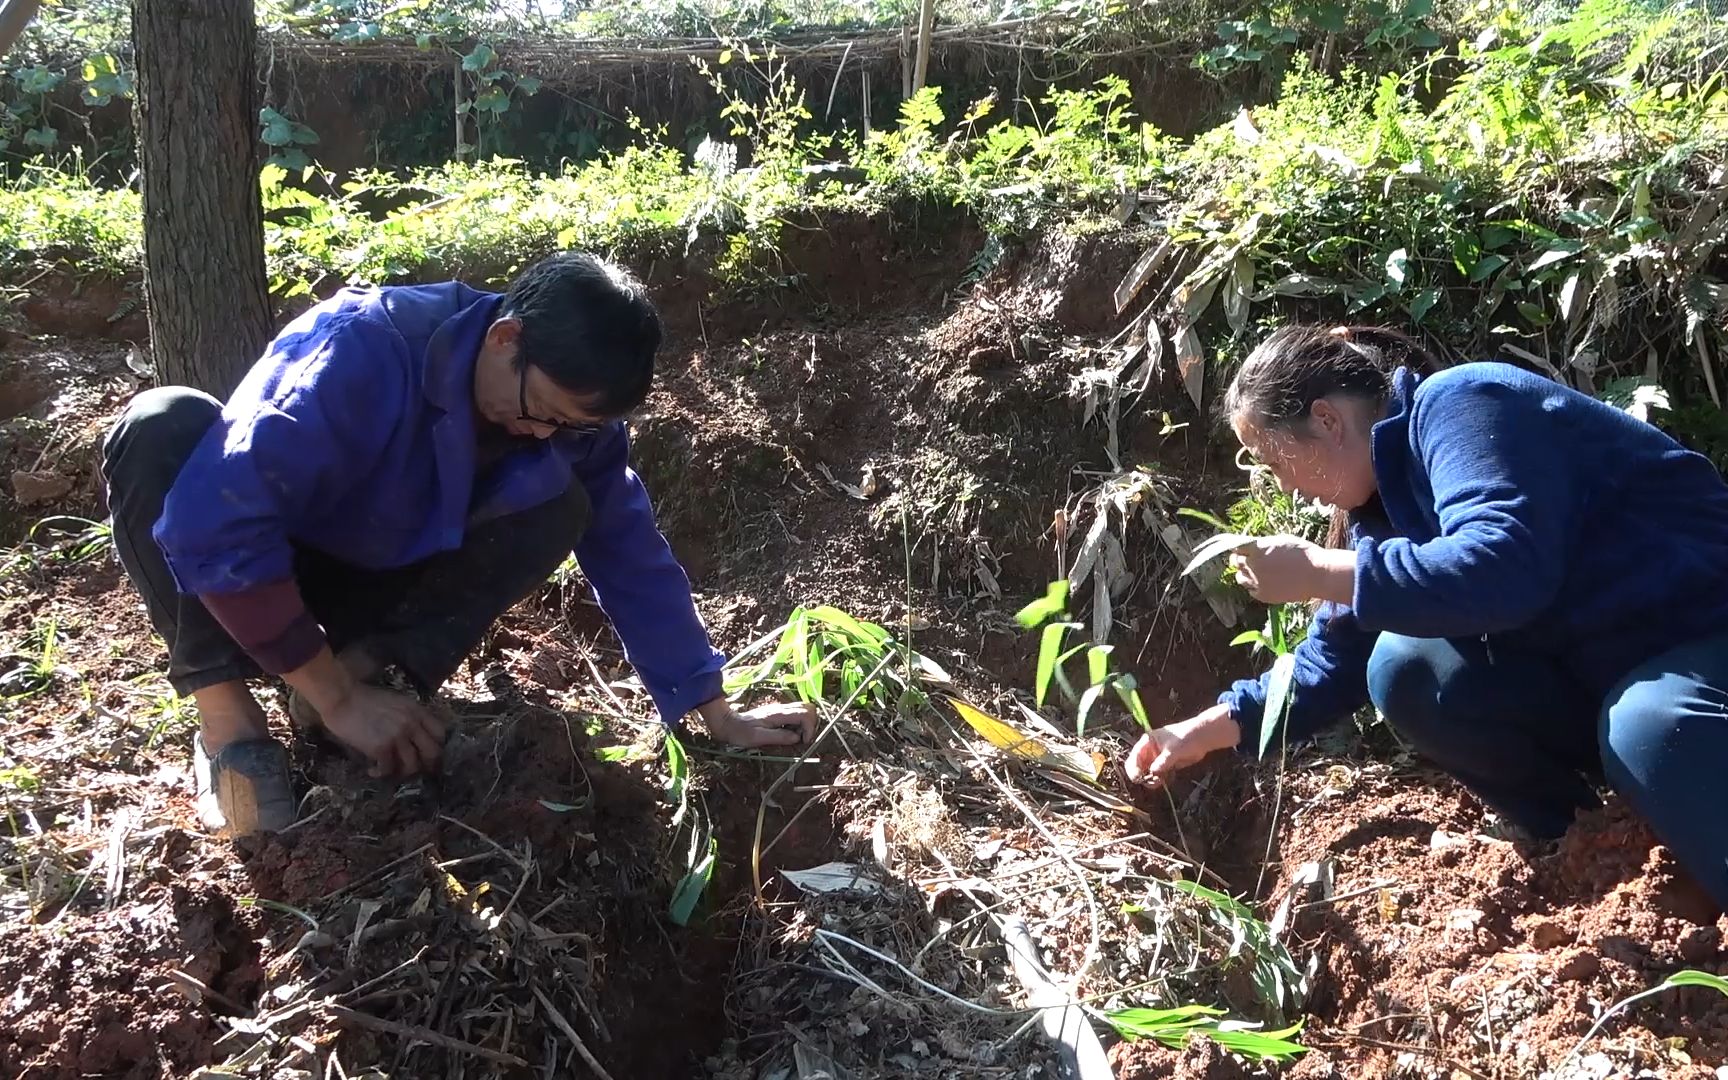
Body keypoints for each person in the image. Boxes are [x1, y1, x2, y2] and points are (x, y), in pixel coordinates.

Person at [102, 251, 814, 836]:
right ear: (506, 339)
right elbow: (217, 521)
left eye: (572, 427)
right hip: (254, 579)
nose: (545, 434)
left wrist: (710, 705)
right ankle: (231, 724)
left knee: (566, 502)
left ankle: (360, 676)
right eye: (544, 412)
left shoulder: (568, 425)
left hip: (378, 578)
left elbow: (629, 548)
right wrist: (338, 696)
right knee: (164, 424)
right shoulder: (363, 346)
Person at [1125, 324, 1728, 911]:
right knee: (1406, 667)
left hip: (1700, 634)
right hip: (1610, 674)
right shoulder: (1380, 509)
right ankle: (1594, 844)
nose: (1288, 491)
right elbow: (1334, 661)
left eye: (1277, 464)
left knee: (1651, 726)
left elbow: (1502, 566)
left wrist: (1317, 571)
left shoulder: (1462, 403)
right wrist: (1200, 731)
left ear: (1327, 420)